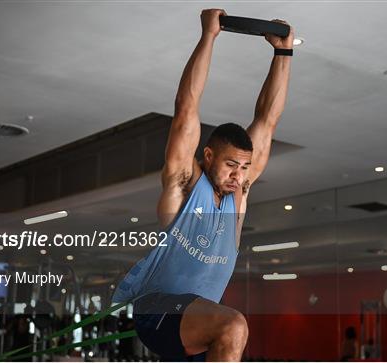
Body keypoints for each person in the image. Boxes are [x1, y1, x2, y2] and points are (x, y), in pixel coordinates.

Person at [112, 8, 293, 361]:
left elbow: (268, 120)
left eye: (243, 167)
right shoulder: (184, 184)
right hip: (159, 309)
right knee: (234, 326)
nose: (239, 175)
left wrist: (283, 52)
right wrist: (209, 35)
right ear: (207, 156)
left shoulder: (239, 193)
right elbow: (186, 108)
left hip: (197, 320)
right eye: (230, 165)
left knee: (231, 337)